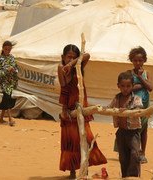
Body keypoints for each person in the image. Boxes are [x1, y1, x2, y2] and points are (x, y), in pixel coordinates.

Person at [58, 44, 107, 179]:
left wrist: (74, 63)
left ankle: (84, 168)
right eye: (68, 57)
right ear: (63, 57)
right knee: (71, 141)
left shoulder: (78, 67)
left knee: (86, 138)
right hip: (69, 110)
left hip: (81, 107)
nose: (70, 60)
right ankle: (72, 170)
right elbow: (64, 89)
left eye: (73, 57)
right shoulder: (61, 68)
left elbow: (87, 55)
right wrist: (64, 109)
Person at [108, 71, 143, 178]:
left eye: (128, 86)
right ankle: (124, 176)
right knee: (123, 157)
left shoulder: (136, 98)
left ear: (132, 86)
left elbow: (139, 108)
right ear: (118, 86)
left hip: (133, 133)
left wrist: (127, 110)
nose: (125, 88)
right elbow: (109, 108)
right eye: (122, 86)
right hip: (121, 132)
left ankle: (133, 176)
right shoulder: (116, 98)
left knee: (134, 154)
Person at [128, 46, 153, 164]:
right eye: (135, 60)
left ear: (144, 61)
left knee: (143, 129)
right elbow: (128, 88)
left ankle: (143, 153)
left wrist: (139, 78)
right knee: (133, 128)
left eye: (140, 60)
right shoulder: (128, 73)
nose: (138, 63)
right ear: (131, 60)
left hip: (145, 104)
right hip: (132, 103)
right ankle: (134, 151)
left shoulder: (147, 73)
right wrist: (143, 85)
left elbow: (151, 88)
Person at [0, 41, 18, 126]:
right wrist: (6, 71)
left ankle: (1, 119)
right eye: (6, 49)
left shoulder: (12, 58)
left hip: (11, 82)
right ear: (3, 49)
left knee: (6, 98)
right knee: (7, 97)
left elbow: (16, 69)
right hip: (3, 82)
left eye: (9, 49)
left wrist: (13, 70)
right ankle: (10, 118)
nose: (7, 50)